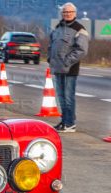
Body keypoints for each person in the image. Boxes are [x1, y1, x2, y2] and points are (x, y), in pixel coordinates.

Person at [49, 2, 89, 133]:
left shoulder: (79, 29)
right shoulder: (58, 27)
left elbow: (82, 50)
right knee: (61, 97)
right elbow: (52, 44)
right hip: (57, 68)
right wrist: (50, 58)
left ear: (75, 14)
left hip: (69, 69)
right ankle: (64, 121)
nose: (67, 14)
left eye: (69, 12)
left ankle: (70, 123)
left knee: (68, 97)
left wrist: (67, 61)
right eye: (65, 12)